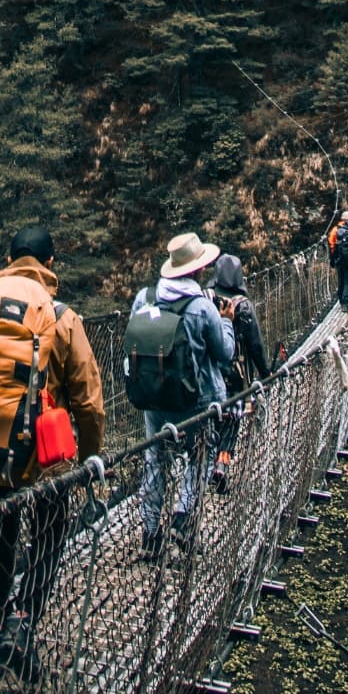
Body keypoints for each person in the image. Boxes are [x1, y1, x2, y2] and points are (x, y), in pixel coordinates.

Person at [0, 226, 105, 685]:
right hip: (46, 458)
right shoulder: (61, 317)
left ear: (9, 260)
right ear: (50, 264)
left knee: (0, 538)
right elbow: (89, 402)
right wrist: (89, 461)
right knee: (49, 537)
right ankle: (24, 621)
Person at [129, 232, 235, 559]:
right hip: (196, 401)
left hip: (154, 398)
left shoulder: (144, 298)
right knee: (201, 457)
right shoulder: (202, 307)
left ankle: (150, 534)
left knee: (156, 460)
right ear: (198, 269)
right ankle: (183, 518)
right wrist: (227, 322)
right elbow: (224, 354)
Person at [207, 253, 271, 493]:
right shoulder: (243, 305)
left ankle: (206, 466)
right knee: (231, 420)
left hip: (209, 370)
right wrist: (266, 373)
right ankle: (221, 465)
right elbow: (255, 345)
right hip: (236, 373)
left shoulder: (206, 299)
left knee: (211, 419)